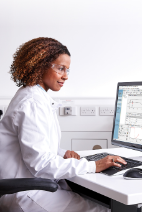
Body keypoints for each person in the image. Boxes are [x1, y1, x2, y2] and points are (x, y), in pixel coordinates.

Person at [0, 37, 126, 212]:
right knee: (107, 209)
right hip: (28, 194)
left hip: (34, 188)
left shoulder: (33, 96)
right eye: (60, 69)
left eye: (67, 70)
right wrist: (93, 165)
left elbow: (32, 146)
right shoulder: (32, 102)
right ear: (40, 65)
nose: (65, 76)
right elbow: (41, 164)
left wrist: (62, 153)